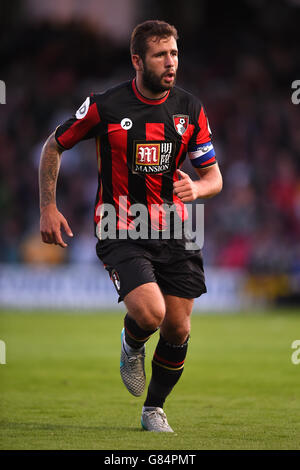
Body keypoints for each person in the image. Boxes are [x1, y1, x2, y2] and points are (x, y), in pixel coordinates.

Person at [39, 20, 223, 433]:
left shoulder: (190, 109)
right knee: (152, 314)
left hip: (177, 228)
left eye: (174, 53)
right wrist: (48, 207)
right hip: (120, 225)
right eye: (161, 55)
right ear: (137, 60)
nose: (171, 62)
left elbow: (214, 178)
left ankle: (153, 409)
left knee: (178, 327)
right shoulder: (105, 106)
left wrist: (199, 188)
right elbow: (55, 144)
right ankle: (132, 341)